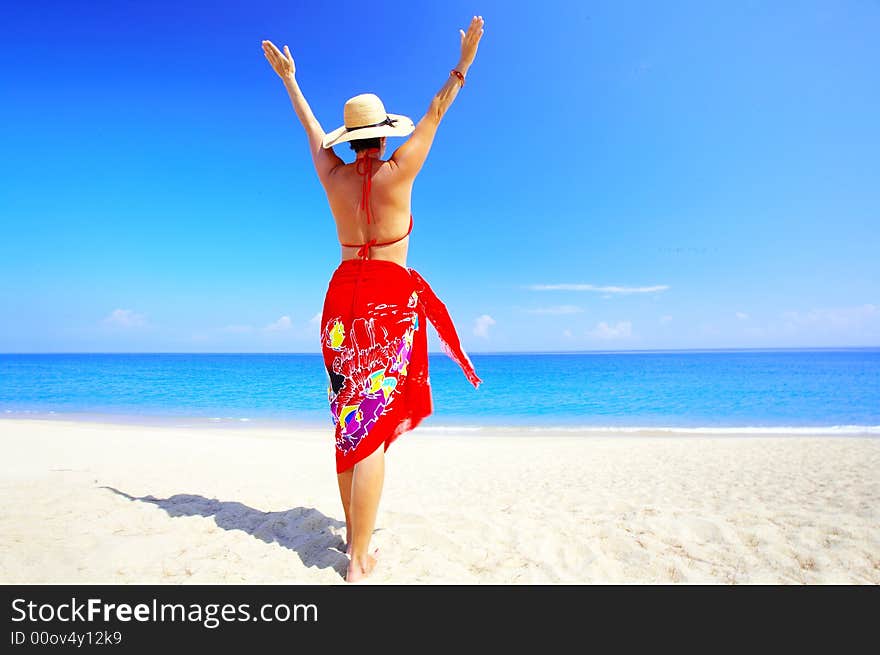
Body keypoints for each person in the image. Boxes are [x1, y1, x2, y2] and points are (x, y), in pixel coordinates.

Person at [263, 15, 484, 583]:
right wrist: (464, 61)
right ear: (383, 136)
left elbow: (308, 126)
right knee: (372, 433)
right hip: (387, 303)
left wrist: (290, 80)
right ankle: (359, 559)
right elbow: (437, 111)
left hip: (342, 301)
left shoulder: (332, 177)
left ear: (350, 138)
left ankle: (354, 529)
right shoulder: (399, 170)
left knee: (348, 422)